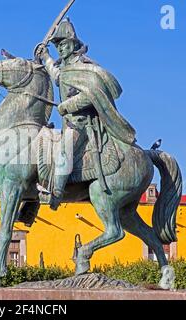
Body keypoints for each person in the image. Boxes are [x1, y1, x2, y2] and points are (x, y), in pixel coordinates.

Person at [35, 19, 136, 210]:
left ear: (73, 44)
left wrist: (67, 105)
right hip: (69, 122)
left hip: (83, 123)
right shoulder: (65, 67)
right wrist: (46, 57)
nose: (61, 49)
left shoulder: (85, 65)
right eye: (57, 46)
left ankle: (55, 194)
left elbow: (94, 93)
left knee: (65, 149)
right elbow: (57, 77)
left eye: (63, 44)